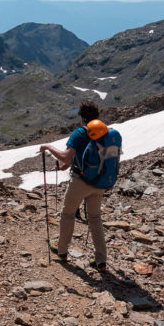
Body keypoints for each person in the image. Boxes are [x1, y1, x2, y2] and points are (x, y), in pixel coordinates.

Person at [39, 100, 110, 272]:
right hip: (100, 182)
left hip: (81, 181)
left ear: (82, 117)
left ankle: (62, 250)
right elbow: (85, 156)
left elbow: (65, 156)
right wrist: (64, 166)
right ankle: (101, 260)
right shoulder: (105, 133)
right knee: (94, 218)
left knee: (68, 214)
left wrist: (48, 146)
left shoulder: (80, 132)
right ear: (97, 116)